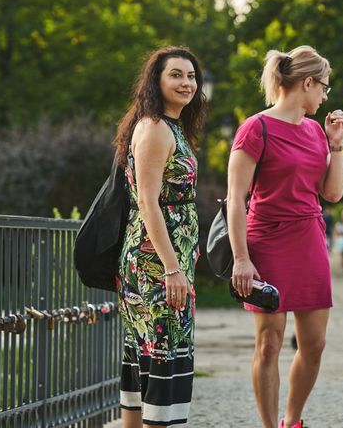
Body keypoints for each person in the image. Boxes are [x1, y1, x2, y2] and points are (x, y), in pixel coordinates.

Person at [226, 45, 343, 428]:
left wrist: (336, 144)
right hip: (266, 241)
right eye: (324, 87)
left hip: (309, 239)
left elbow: (332, 193)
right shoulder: (255, 128)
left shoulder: (315, 131)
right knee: (269, 344)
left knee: (315, 344)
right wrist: (241, 258)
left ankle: (292, 420)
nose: (325, 96)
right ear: (308, 83)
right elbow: (235, 199)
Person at [112, 46, 206, 428]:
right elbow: (147, 202)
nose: (186, 83)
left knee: (148, 354)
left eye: (191, 76)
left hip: (165, 261)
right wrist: (171, 267)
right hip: (154, 263)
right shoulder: (154, 128)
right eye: (176, 75)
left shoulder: (171, 127)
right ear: (157, 81)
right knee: (159, 354)